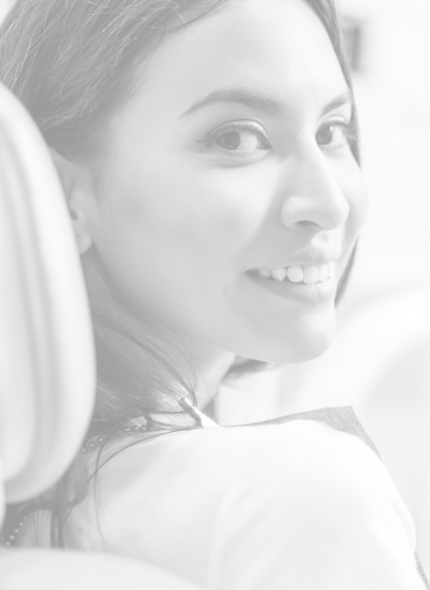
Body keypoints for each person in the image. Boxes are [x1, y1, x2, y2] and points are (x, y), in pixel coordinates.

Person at [0, 0, 427, 588]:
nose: (329, 203)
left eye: (332, 132)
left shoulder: (42, 520)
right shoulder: (295, 497)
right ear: (58, 191)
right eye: (235, 137)